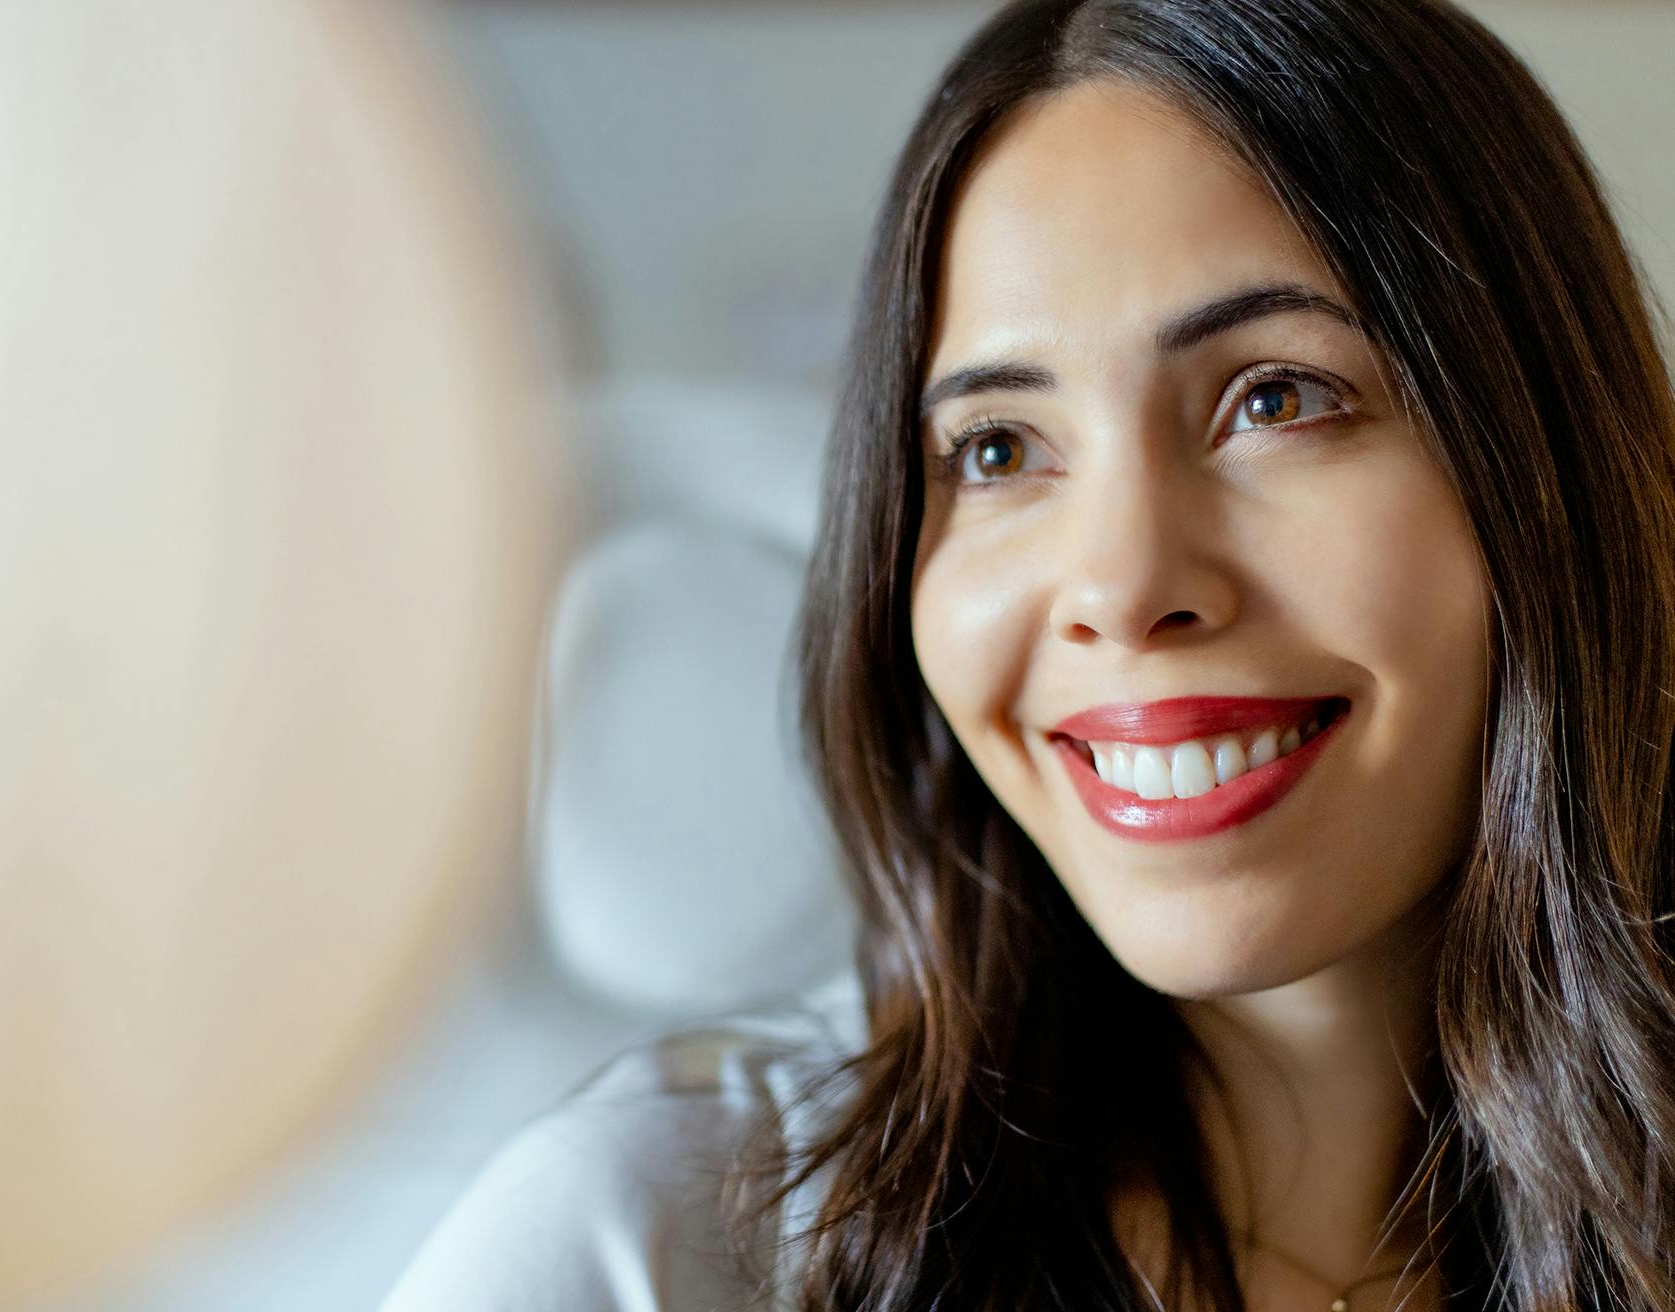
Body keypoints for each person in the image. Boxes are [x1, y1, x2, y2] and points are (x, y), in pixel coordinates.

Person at [385, 0, 1675, 1308]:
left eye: (1275, 398)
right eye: (997, 449)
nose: (1120, 586)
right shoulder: (651, 1249)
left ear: (1547, 457)